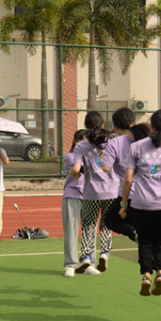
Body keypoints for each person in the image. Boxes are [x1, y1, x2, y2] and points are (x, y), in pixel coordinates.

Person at [120, 109, 161, 296]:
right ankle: (160, 273)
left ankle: (146, 275)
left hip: (142, 203)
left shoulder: (137, 147)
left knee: (144, 241)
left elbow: (128, 179)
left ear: (151, 125)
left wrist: (123, 205)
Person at [70, 112, 119, 274]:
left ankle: (86, 256)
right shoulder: (112, 142)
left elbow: (76, 168)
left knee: (88, 225)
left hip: (91, 193)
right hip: (111, 191)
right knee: (106, 225)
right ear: (102, 124)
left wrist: (73, 173)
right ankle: (104, 253)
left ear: (85, 126)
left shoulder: (81, 146)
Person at [101, 107, 139, 242]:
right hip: (149, 191)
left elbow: (105, 167)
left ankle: (133, 232)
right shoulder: (144, 138)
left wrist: (103, 153)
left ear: (115, 126)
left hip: (129, 193)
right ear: (134, 122)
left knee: (110, 220)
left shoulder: (115, 142)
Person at [62, 130, 88, 277]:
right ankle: (70, 264)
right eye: (84, 142)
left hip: (89, 196)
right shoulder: (70, 156)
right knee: (71, 231)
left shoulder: (90, 156)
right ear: (77, 142)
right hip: (72, 194)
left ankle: (88, 262)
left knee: (89, 231)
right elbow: (78, 169)